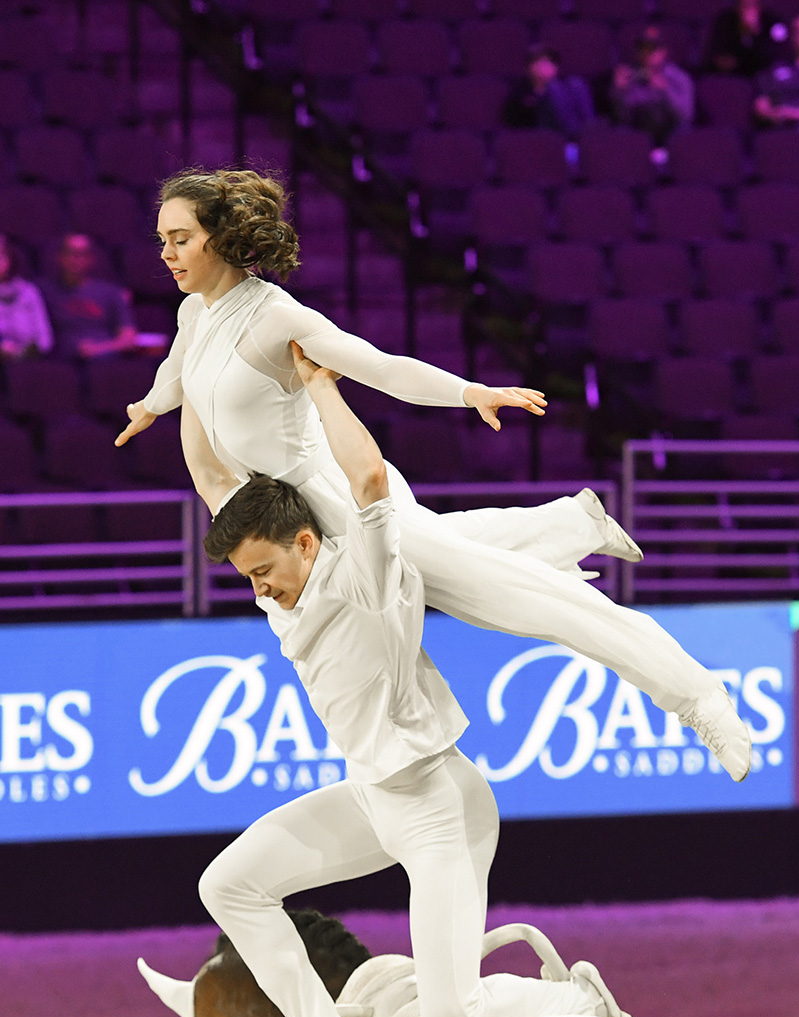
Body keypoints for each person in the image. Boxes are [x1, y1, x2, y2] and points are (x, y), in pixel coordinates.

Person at [114, 167, 751, 784]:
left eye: (180, 239)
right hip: (295, 519)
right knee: (462, 563)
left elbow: (381, 367)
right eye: (162, 240)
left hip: (347, 498)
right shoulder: (194, 314)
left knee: (522, 601)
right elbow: (180, 368)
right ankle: (569, 523)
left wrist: (471, 391)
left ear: (220, 239)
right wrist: (148, 405)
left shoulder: (274, 318)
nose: (166, 254)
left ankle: (700, 699)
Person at [188, 342, 631, 1017]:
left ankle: (581, 1003)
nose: (258, 590)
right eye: (248, 579)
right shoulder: (281, 588)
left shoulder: (369, 570)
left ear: (304, 542)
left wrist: (323, 388)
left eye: (263, 572)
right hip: (371, 799)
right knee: (228, 884)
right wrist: (190, 373)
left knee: (452, 1014)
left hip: (438, 806)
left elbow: (365, 481)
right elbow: (212, 478)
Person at [41, 233, 137, 359]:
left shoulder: (111, 293)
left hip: (105, 363)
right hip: (60, 363)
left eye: (82, 254)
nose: (76, 259)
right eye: (71, 253)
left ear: (91, 259)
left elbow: (128, 339)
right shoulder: (44, 291)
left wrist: (97, 349)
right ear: (60, 257)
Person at [610, 33, 695, 143]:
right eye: (642, 49)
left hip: (671, 135)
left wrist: (665, 92)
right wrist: (618, 92)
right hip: (641, 137)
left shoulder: (679, 78)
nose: (647, 54)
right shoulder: (630, 76)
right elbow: (622, 119)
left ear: (663, 52)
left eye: (652, 49)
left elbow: (686, 118)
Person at [502, 45, 595, 139]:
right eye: (539, 63)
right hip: (539, 134)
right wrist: (539, 91)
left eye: (549, 63)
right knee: (554, 88)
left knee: (575, 83)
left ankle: (586, 136)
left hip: (570, 130)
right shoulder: (520, 90)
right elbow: (515, 118)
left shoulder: (570, 86)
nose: (545, 67)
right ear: (529, 68)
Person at [0, 234, 53, 358]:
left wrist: (26, 351)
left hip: (29, 359)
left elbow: (45, 338)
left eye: (1, 254)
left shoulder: (28, 291)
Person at [705, 0, 787, 77]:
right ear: (737, 7)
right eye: (744, 6)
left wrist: (756, 33)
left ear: (759, 7)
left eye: (752, 5)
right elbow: (720, 57)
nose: (748, 11)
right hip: (733, 77)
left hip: (764, 76)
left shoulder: (773, 22)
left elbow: (776, 58)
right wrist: (743, 32)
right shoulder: (725, 22)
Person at [753, 14, 799, 124]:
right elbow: (762, 103)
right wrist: (764, 109)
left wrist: (792, 113)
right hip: (780, 130)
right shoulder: (776, 68)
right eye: (797, 31)